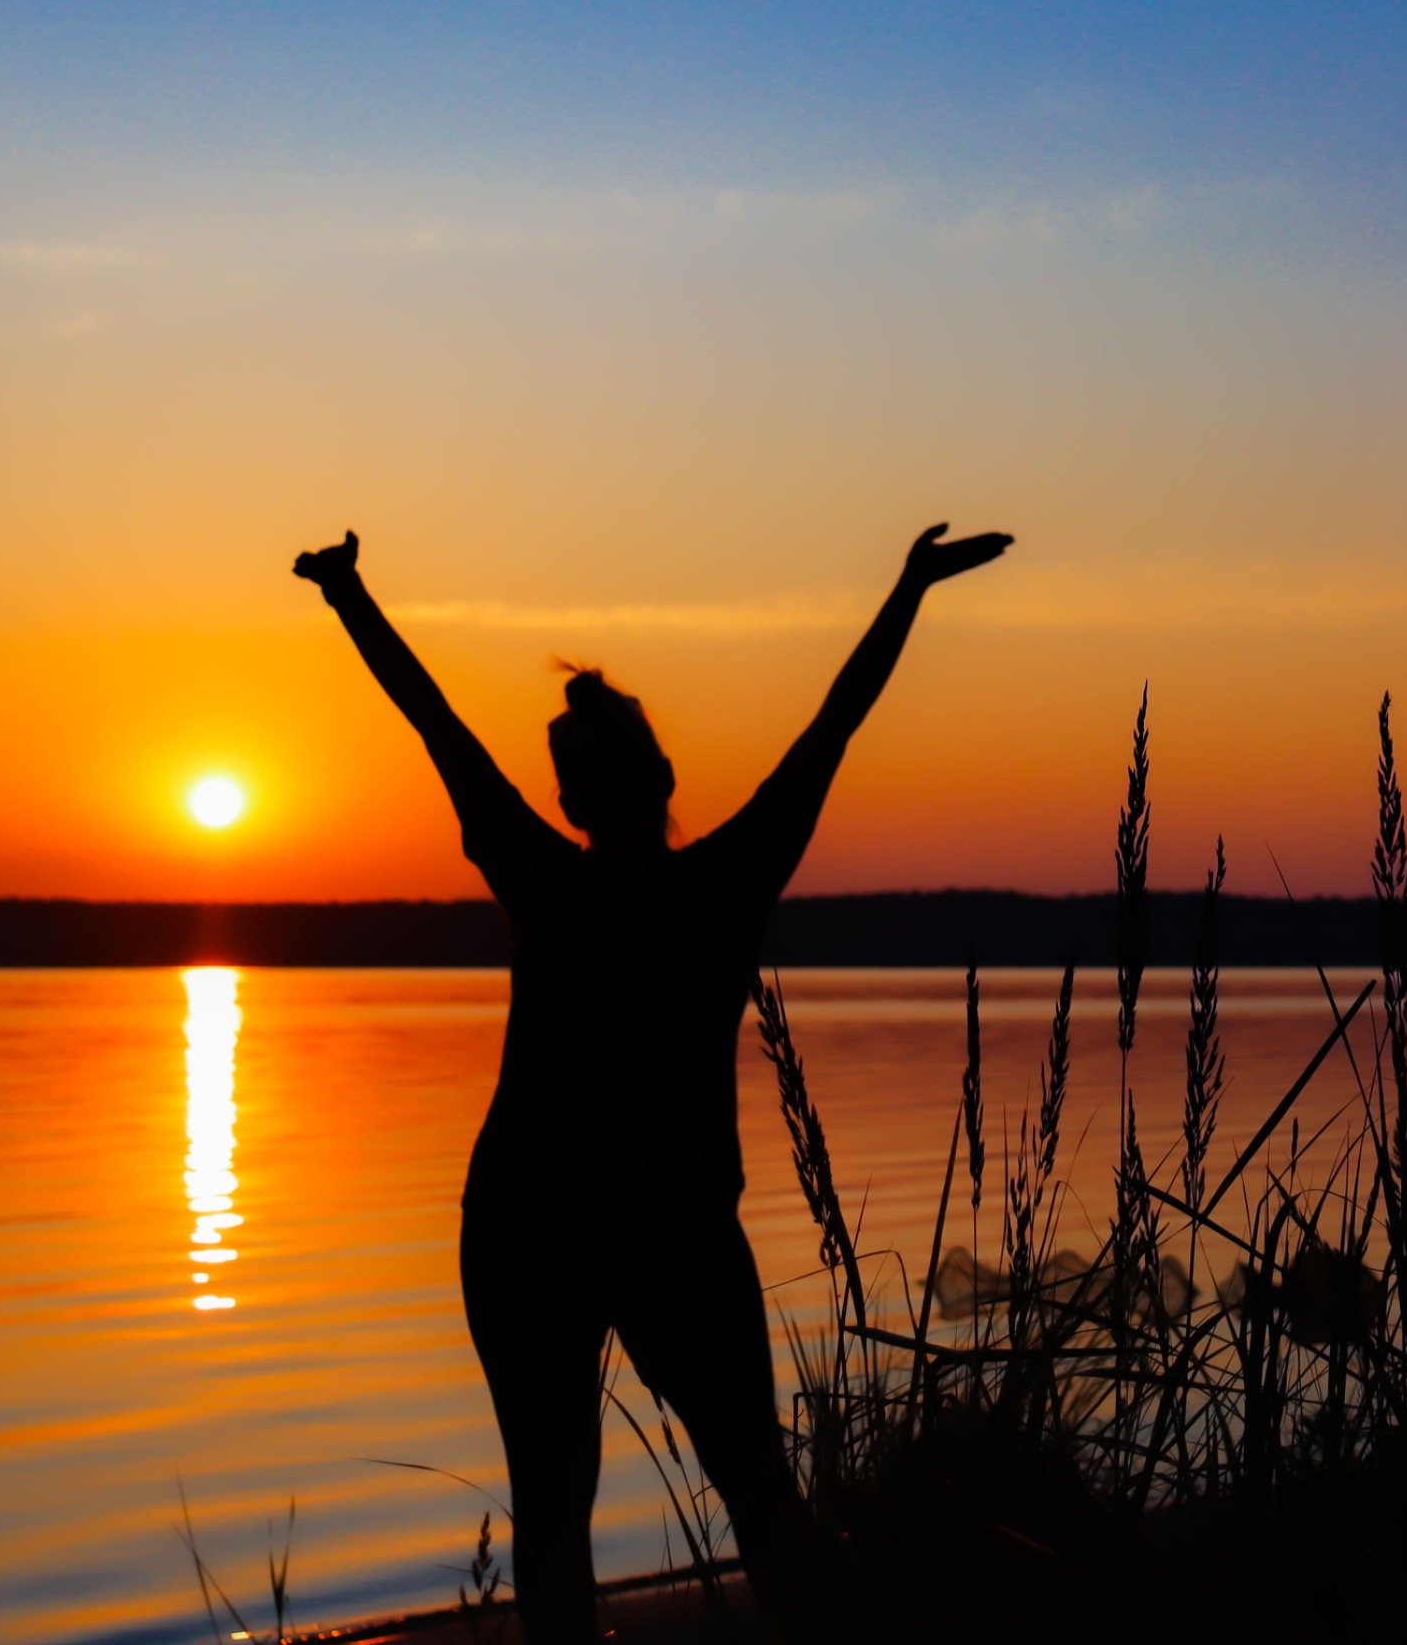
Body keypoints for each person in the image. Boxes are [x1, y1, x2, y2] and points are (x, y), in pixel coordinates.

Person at [292, 522, 1012, 1642]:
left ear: (570, 803)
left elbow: (435, 721)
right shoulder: (725, 878)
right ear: (665, 777)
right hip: (643, 1222)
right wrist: (910, 588)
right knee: (759, 1495)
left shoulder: (548, 875)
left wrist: (349, 596)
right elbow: (835, 722)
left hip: (538, 1218)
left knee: (556, 1517)